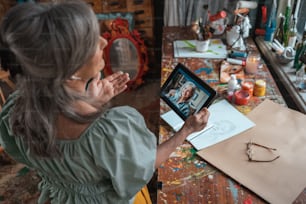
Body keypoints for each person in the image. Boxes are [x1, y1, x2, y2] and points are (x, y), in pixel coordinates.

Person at [0, 1, 210, 203]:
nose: (103, 42)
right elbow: (143, 168)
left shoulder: (16, 110)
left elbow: (29, 152)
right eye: (91, 42)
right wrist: (185, 131)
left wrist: (90, 101)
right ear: (70, 69)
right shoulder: (110, 131)